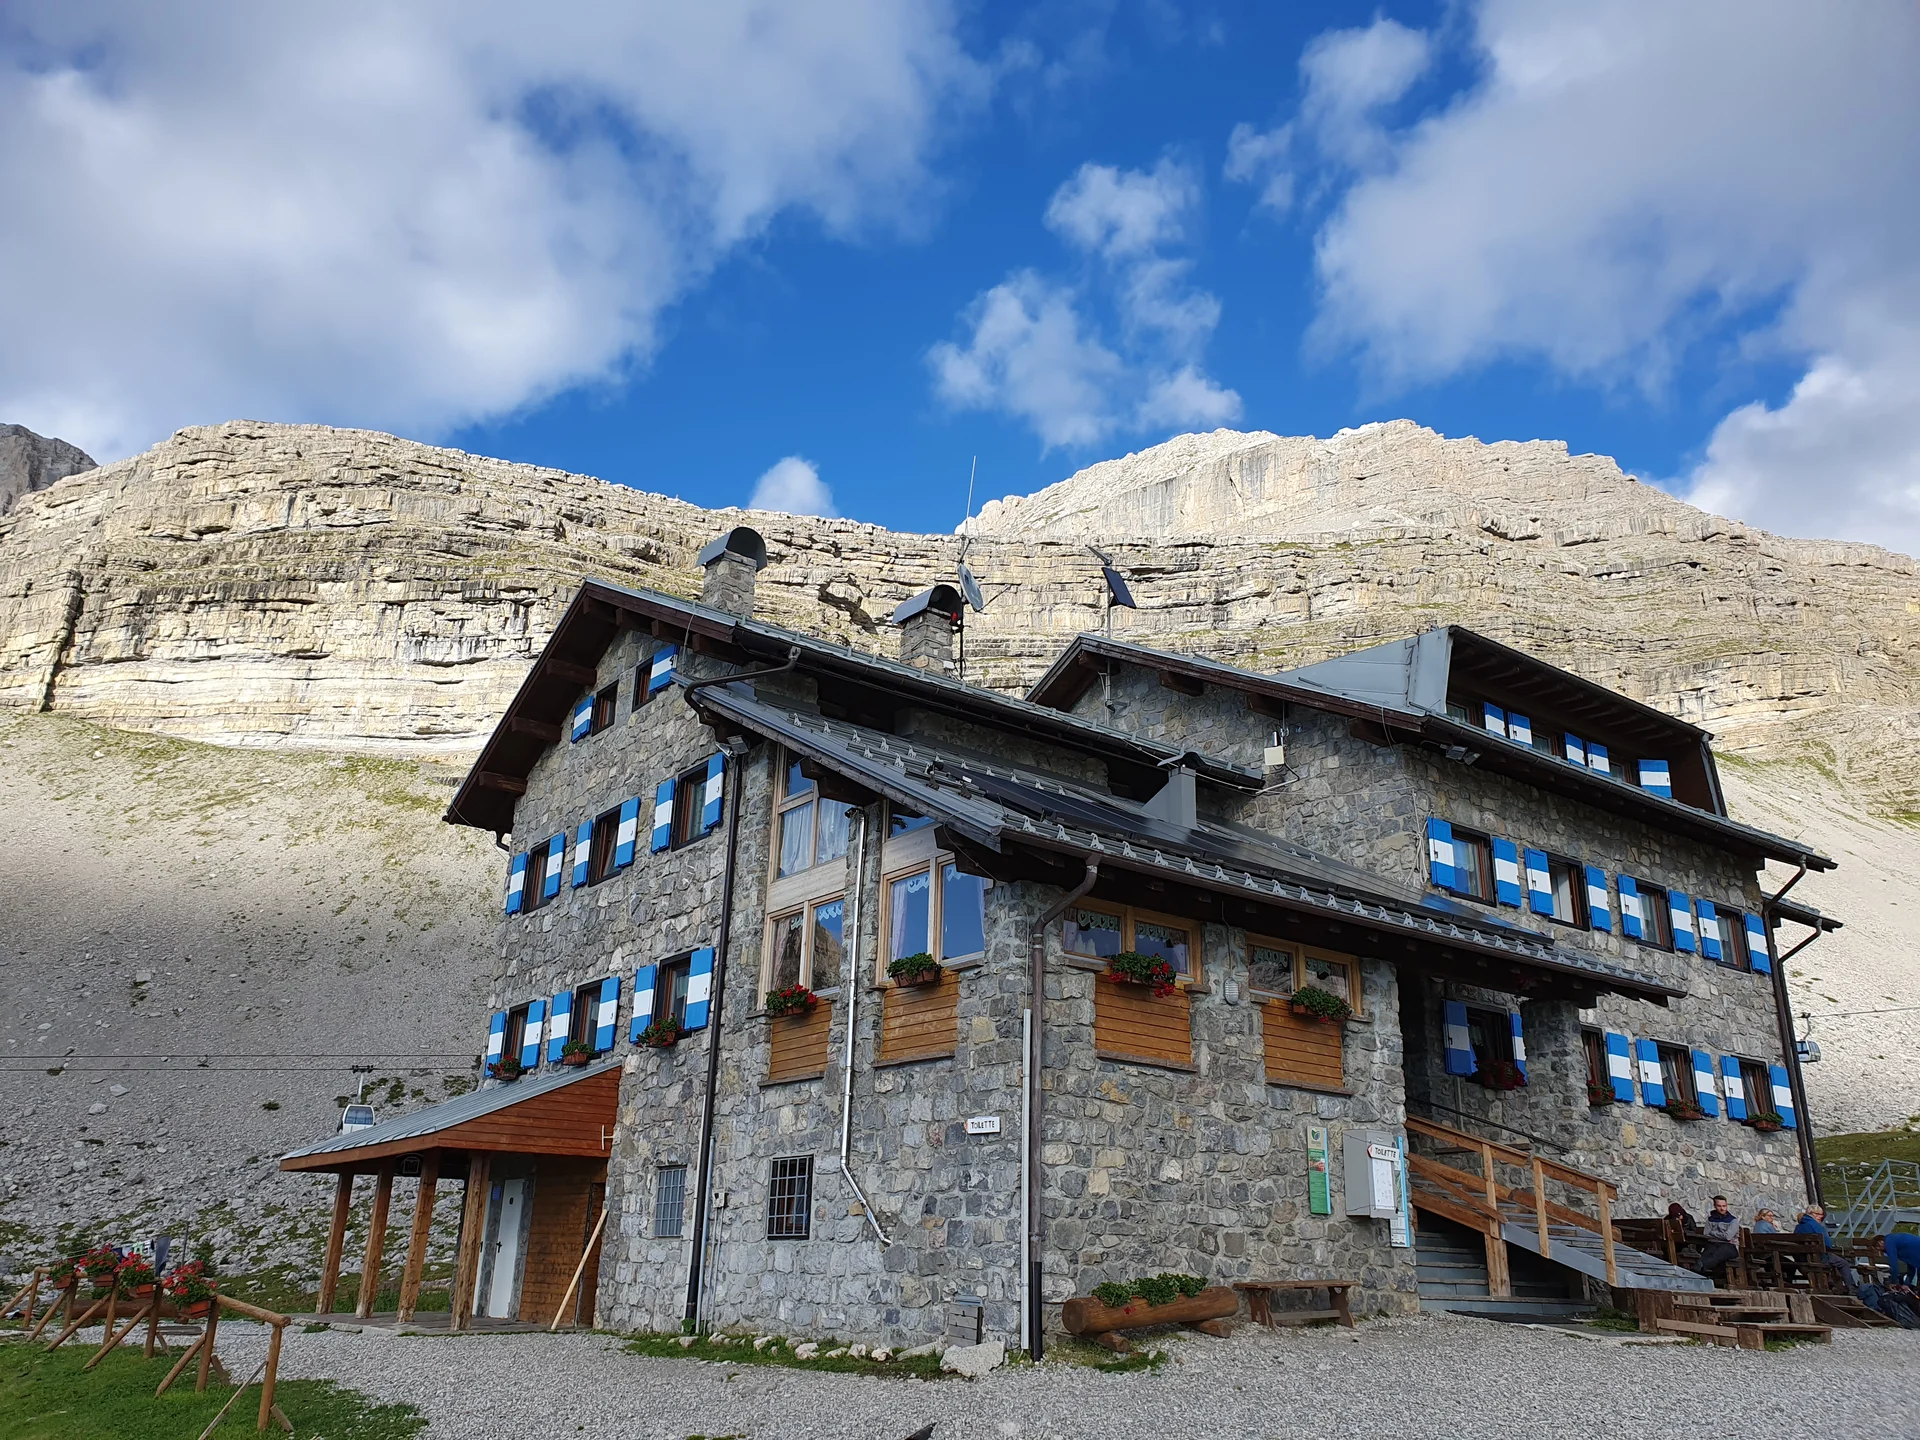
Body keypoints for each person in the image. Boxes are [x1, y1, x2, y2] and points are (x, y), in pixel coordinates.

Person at [1795, 1206, 1859, 1289]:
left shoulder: (1798, 1227)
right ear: (1811, 1214)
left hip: (1802, 1259)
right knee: (1843, 1263)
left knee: (1833, 1260)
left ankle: (1831, 1284)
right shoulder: (1815, 1225)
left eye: (1821, 1214)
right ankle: (1851, 1287)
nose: (1821, 1216)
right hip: (1819, 1258)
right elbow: (1827, 1244)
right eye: (1818, 1214)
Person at [1697, 1195, 1740, 1281]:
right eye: (1719, 1206)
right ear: (1715, 1206)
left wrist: (1713, 1233)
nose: (1722, 1208)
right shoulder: (1711, 1219)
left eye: (1724, 1206)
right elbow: (1706, 1234)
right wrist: (1721, 1235)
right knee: (1707, 1252)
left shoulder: (1733, 1220)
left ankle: (1702, 1266)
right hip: (1713, 1244)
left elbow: (1728, 1237)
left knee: (1718, 1254)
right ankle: (1700, 1270)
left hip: (1729, 1246)